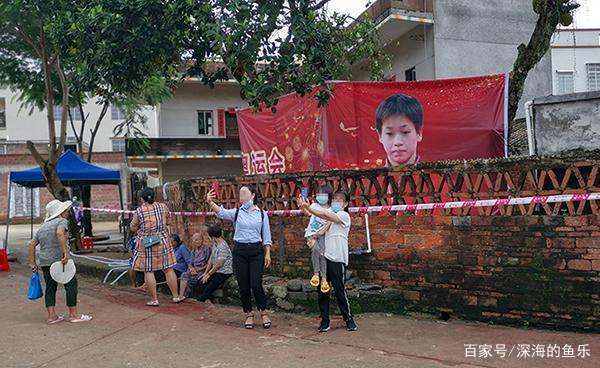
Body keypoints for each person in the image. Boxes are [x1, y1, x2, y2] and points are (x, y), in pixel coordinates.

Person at [206, 185, 273, 329]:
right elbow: (221, 212)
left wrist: (267, 253)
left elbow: (266, 236)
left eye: (245, 194)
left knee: (256, 284)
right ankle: (248, 313)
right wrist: (210, 202)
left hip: (256, 251)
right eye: (240, 194)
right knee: (243, 286)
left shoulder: (261, 213)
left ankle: (263, 312)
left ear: (253, 195)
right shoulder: (237, 212)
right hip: (240, 251)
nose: (242, 197)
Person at [298, 191, 357, 333]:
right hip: (323, 257)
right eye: (334, 200)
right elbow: (315, 217)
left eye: (340, 200)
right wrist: (304, 207)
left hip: (337, 258)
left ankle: (348, 318)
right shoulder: (328, 211)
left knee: (339, 290)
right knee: (322, 291)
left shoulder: (344, 215)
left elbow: (324, 215)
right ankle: (325, 321)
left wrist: (310, 208)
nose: (336, 202)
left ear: (346, 203)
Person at [28, 199, 92, 324]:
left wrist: (32, 262)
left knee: (50, 288)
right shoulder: (62, 221)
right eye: (66, 211)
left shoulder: (42, 227)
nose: (68, 213)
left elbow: (31, 244)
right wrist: (65, 253)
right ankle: (73, 315)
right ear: (61, 212)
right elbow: (59, 233)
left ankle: (52, 317)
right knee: (71, 284)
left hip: (45, 262)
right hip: (60, 260)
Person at [130, 187, 179, 306]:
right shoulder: (163, 207)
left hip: (147, 241)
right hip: (162, 239)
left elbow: (133, 227)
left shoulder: (139, 211)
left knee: (148, 270)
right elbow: (169, 221)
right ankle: (176, 297)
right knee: (168, 268)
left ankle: (154, 299)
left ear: (142, 199)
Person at [375, 93, 424, 167]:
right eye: (389, 133)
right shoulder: (371, 178)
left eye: (405, 132)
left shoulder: (438, 177)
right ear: (380, 136)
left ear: (419, 133)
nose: (398, 142)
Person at [304, 185, 333, 293]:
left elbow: (330, 222)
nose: (320, 196)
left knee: (322, 255)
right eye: (319, 194)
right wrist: (303, 206)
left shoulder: (331, 209)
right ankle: (316, 274)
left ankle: (324, 279)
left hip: (323, 235)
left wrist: (322, 232)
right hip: (311, 233)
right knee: (315, 249)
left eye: (323, 194)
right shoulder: (315, 205)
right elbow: (308, 213)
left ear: (329, 196)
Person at [195, 224, 233, 303]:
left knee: (209, 287)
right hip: (216, 270)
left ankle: (201, 300)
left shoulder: (223, 246)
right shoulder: (215, 244)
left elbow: (219, 264)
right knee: (201, 280)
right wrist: (205, 273)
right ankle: (208, 299)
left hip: (224, 272)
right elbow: (211, 259)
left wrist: (209, 274)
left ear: (211, 236)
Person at [173, 232, 211, 303]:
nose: (197, 241)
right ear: (193, 241)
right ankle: (181, 296)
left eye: (199, 239)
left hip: (203, 270)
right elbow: (190, 263)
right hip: (194, 270)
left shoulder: (207, 249)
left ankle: (188, 295)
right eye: (195, 240)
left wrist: (200, 269)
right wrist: (191, 268)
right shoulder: (193, 251)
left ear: (202, 240)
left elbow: (209, 263)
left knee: (192, 278)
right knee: (184, 275)